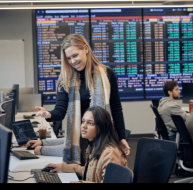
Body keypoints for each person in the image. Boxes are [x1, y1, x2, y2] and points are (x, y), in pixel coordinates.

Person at [26, 33, 130, 165]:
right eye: (69, 58)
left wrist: (121, 137)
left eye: (75, 55)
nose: (73, 61)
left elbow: (116, 108)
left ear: (86, 48)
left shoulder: (107, 74)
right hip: (81, 137)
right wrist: (49, 114)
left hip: (104, 138)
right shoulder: (66, 80)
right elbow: (60, 110)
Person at [43, 106, 127, 183]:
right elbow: (90, 171)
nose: (84, 126)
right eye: (83, 121)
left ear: (102, 127)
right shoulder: (93, 146)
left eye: (90, 123)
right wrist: (63, 167)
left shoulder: (110, 153)